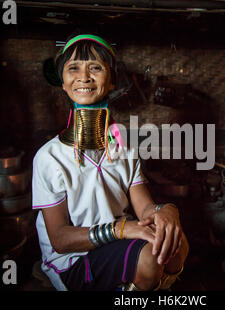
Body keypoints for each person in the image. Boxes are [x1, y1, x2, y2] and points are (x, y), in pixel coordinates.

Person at [32, 33, 189, 291]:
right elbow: (60, 239)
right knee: (151, 259)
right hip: (73, 259)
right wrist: (121, 229)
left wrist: (168, 211)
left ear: (112, 81)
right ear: (63, 82)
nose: (84, 77)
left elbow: (145, 209)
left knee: (177, 242)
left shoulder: (123, 150)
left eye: (95, 67)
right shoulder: (49, 158)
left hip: (117, 243)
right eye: (74, 68)